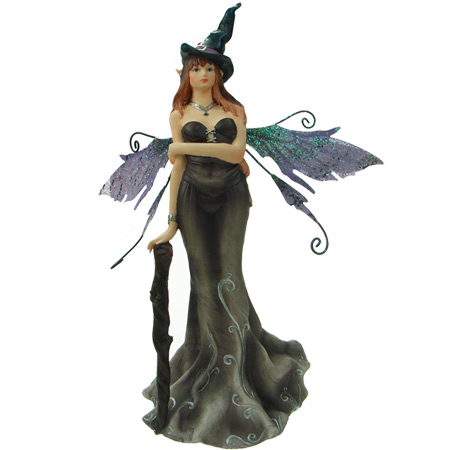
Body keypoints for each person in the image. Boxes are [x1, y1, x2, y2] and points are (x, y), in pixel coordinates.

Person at [142, 5, 309, 448]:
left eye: (208, 68)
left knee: (229, 276)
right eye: (195, 67)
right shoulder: (178, 113)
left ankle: (243, 376)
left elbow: (237, 155)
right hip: (192, 199)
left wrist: (183, 147)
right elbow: (177, 169)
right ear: (187, 73)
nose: (201, 73)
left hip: (233, 196)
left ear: (219, 74)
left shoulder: (234, 109)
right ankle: (207, 368)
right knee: (202, 280)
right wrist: (170, 224)